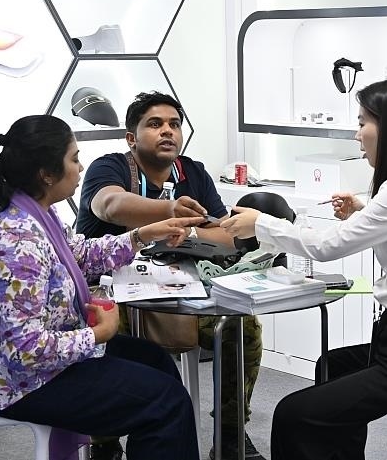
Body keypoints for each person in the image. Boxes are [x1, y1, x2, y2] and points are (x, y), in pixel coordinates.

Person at [222, 79, 387, 460]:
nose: (357, 134)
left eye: (363, 122)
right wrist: (362, 210)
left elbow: (326, 246)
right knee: (332, 366)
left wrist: (261, 223)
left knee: (292, 414)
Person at [0, 114, 205, 460]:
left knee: (155, 361)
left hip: (31, 362)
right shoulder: (16, 241)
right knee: (166, 403)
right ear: (46, 174)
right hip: (13, 381)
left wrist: (143, 235)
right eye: (74, 159)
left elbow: (80, 255)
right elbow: (25, 351)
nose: (81, 167)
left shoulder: (35, 211)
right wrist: (99, 334)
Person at [75, 91, 267, 460]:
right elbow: (111, 205)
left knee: (241, 325)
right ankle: (104, 443)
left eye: (174, 124)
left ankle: (230, 435)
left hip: (182, 286)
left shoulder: (193, 172)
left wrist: (188, 231)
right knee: (107, 329)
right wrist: (169, 211)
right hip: (116, 292)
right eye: (155, 124)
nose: (167, 131)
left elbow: (226, 234)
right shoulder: (109, 167)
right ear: (131, 138)